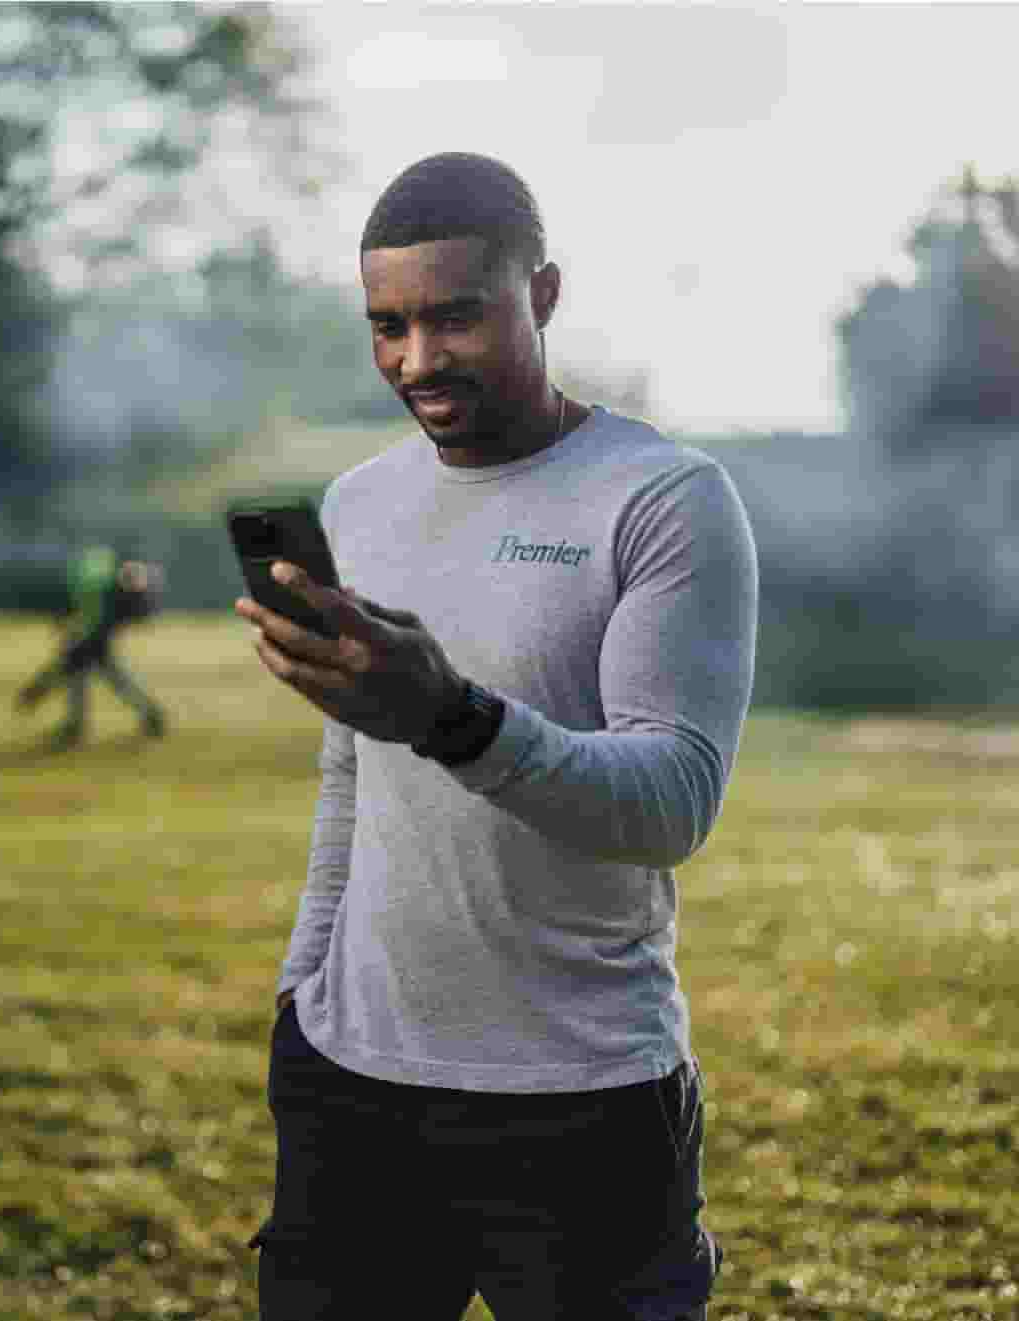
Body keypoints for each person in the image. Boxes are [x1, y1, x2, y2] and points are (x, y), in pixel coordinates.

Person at [233, 152, 757, 1321]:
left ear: (546, 295)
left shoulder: (661, 498)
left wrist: (455, 718)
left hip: (581, 1099)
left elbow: (673, 801)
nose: (416, 361)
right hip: (351, 1087)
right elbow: (350, 769)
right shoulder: (360, 503)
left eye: (454, 317)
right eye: (387, 326)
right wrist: (302, 989)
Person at [17, 545, 166, 745]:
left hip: (91, 633)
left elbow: (76, 650)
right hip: (89, 630)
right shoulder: (103, 592)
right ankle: (149, 715)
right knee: (103, 675)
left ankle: (77, 725)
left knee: (90, 673)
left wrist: (39, 687)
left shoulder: (106, 595)